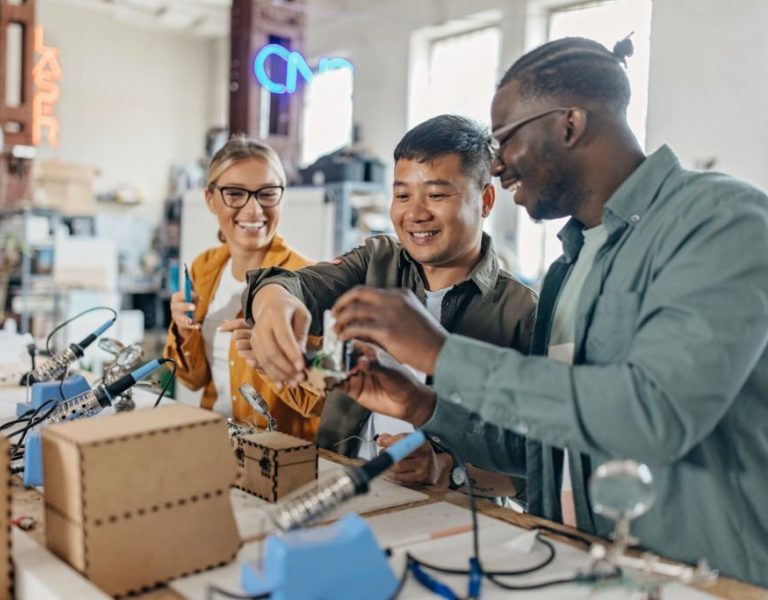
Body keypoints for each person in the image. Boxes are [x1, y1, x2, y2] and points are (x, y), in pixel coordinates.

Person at [322, 37, 768, 586]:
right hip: (583, 566)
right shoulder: (570, 266)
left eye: (505, 139)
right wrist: (422, 404)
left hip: (706, 582)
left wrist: (441, 352)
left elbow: (654, 416)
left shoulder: (720, 221)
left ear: (570, 124)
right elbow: (543, 444)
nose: (499, 165)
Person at [238, 115, 536, 496]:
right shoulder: (375, 262)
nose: (415, 213)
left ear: (486, 199)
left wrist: (450, 470)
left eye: (437, 194)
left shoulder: (521, 313)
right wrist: (273, 301)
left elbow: (537, 469)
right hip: (344, 484)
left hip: (452, 516)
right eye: (402, 194)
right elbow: (297, 283)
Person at [163, 134, 319, 441]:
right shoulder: (203, 268)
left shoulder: (308, 279)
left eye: (267, 194)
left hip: (278, 455)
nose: (253, 210)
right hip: (214, 443)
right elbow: (191, 380)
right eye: (235, 194)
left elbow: (319, 401)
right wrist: (183, 330)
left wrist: (273, 361)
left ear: (282, 197)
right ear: (210, 199)